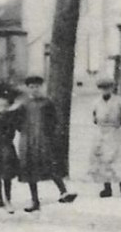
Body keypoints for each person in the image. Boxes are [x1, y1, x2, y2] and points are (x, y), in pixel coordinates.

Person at [16, 76, 77, 212]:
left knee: (49, 165)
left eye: (37, 86)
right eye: (31, 87)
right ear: (28, 88)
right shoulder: (24, 104)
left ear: (41, 87)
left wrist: (49, 136)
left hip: (43, 140)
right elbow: (17, 121)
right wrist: (25, 133)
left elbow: (54, 121)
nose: (34, 89)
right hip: (28, 141)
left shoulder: (47, 103)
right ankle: (35, 200)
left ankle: (63, 192)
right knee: (30, 170)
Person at [86, 79, 121, 201]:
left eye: (107, 88)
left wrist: (117, 125)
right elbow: (94, 117)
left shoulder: (118, 101)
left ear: (112, 88)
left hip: (114, 132)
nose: (105, 90)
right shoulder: (96, 102)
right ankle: (107, 187)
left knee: (118, 160)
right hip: (101, 133)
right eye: (102, 88)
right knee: (102, 159)